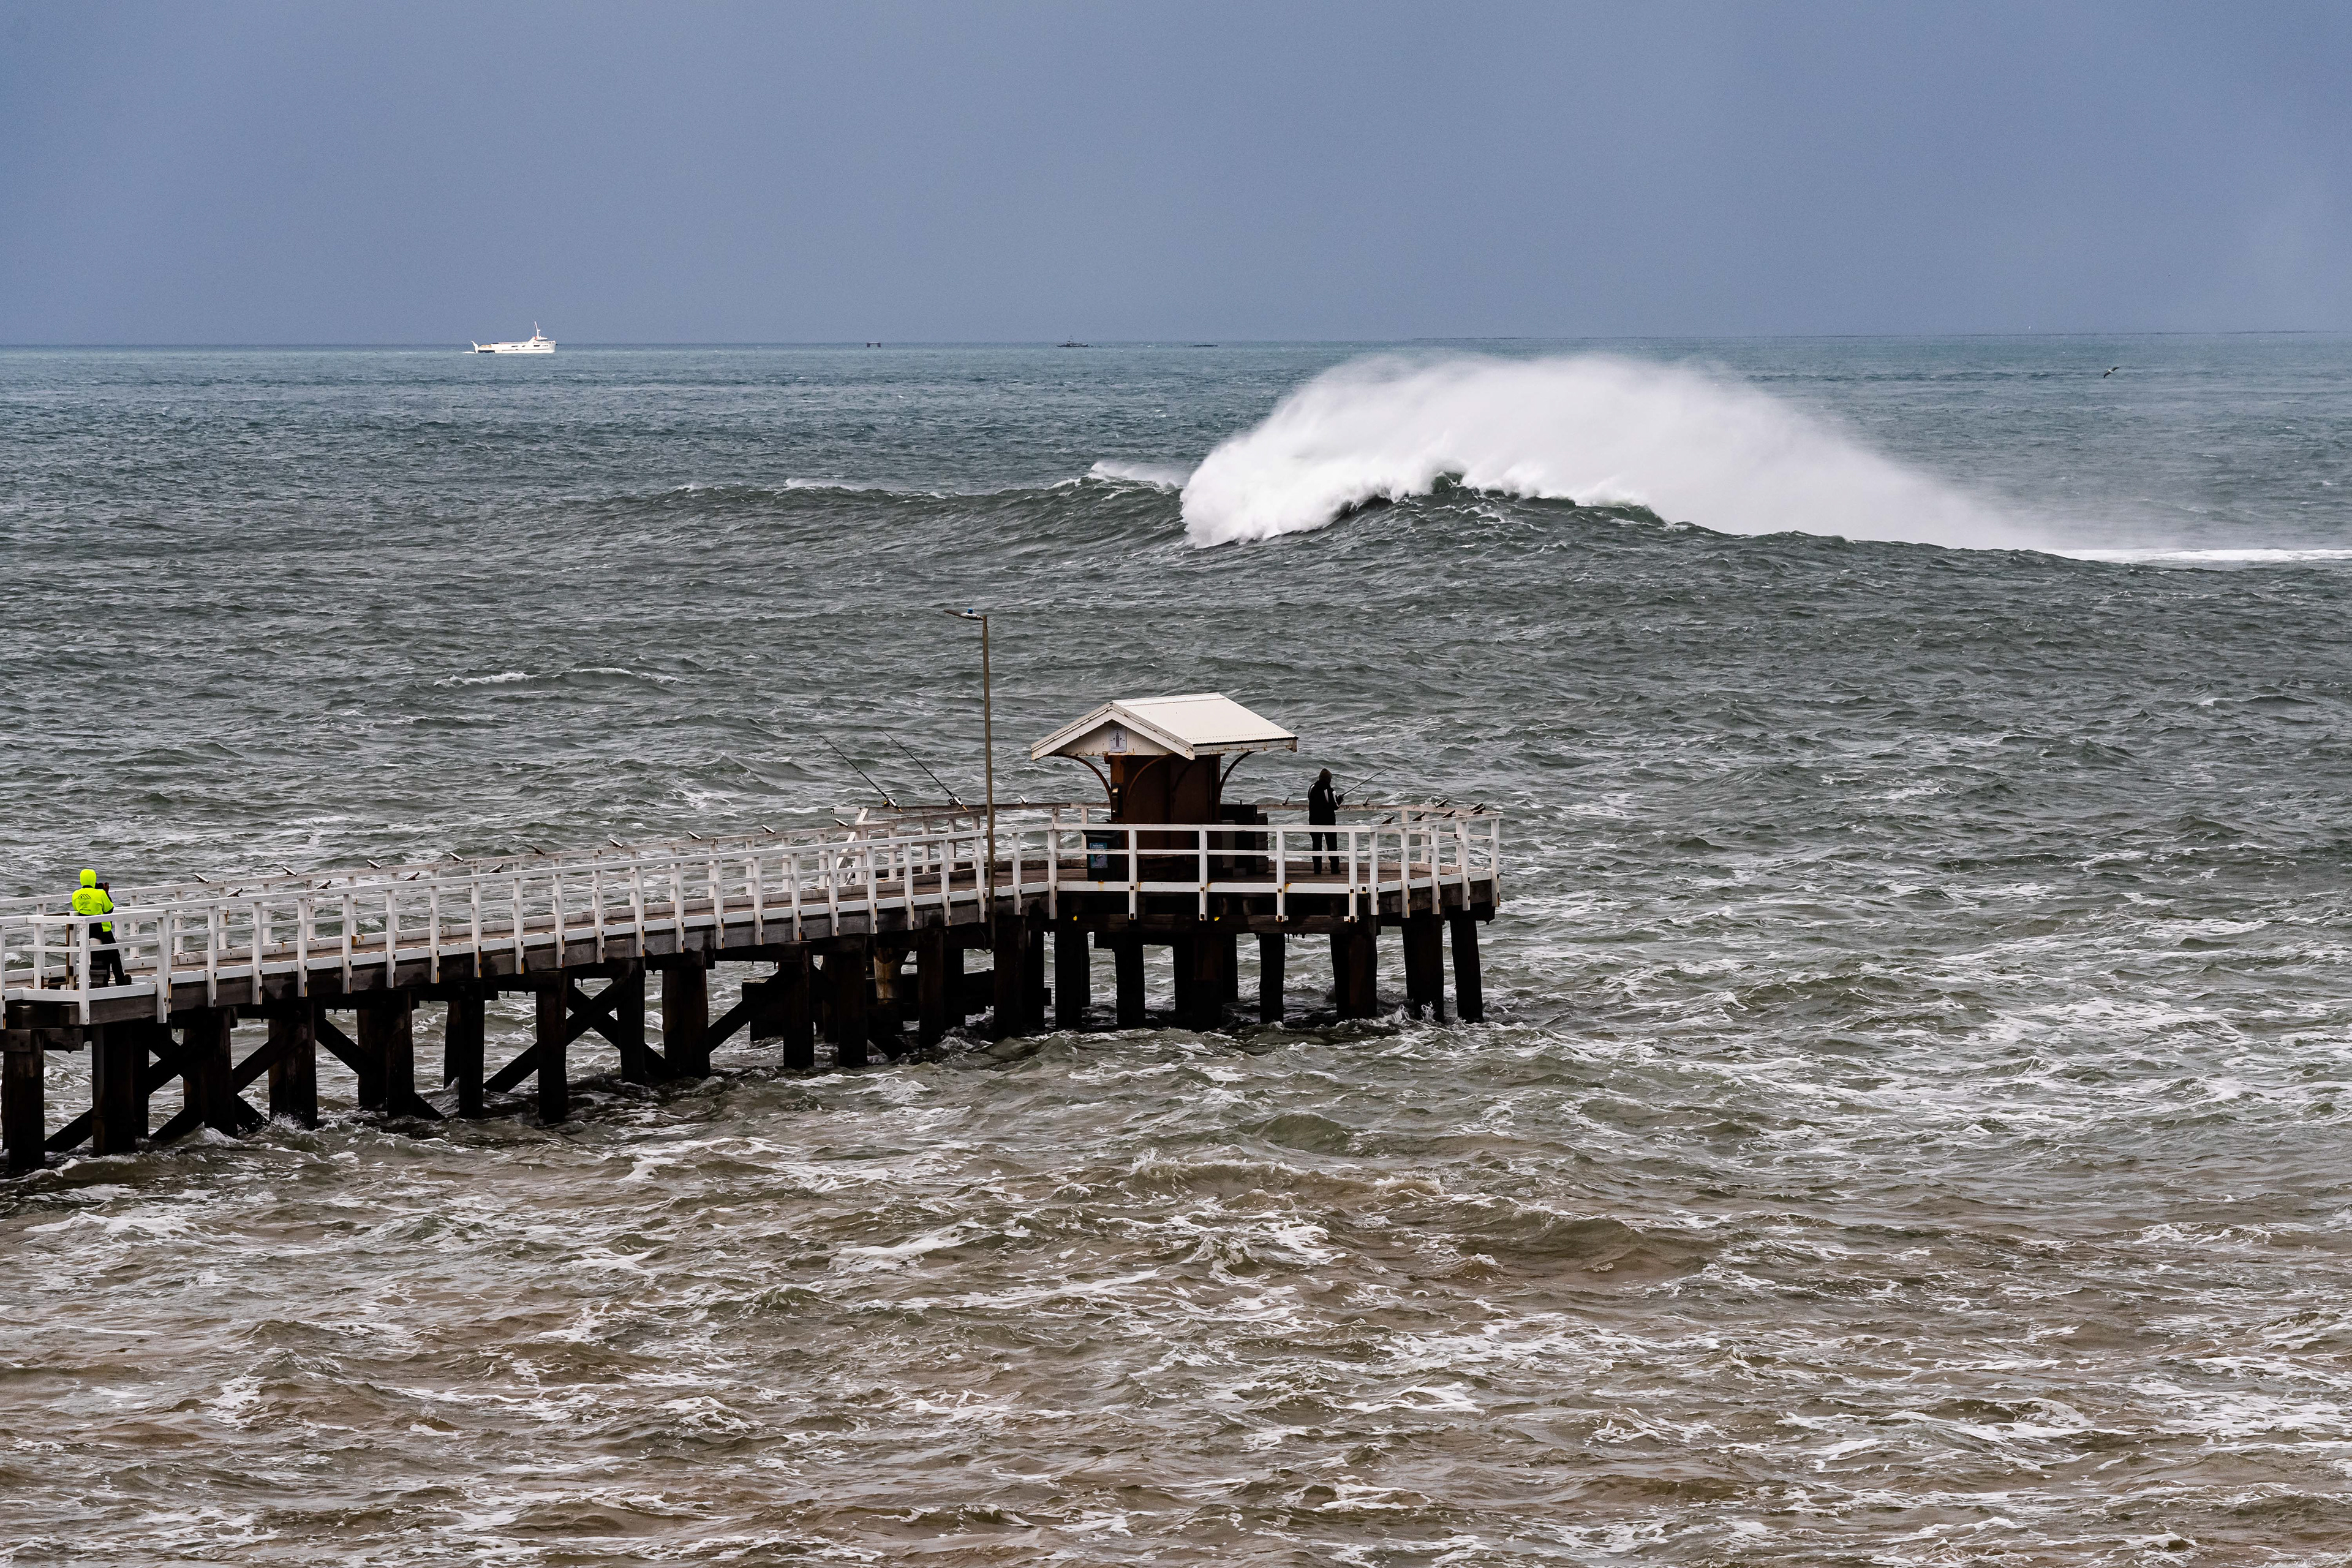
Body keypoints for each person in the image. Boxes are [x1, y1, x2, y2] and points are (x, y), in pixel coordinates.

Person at [71, 869, 128, 986]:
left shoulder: (76, 894)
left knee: (97, 958)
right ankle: (121, 982)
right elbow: (109, 909)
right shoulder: (100, 893)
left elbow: (77, 908)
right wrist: (106, 892)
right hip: (104, 930)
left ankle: (99, 982)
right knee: (114, 957)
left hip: (88, 931)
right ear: (94, 879)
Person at [1308, 768, 1340, 875]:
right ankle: (1334, 869)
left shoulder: (1312, 788)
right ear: (1329, 780)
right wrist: (1339, 800)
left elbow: (1310, 798)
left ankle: (1317, 869)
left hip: (1314, 821)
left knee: (1316, 846)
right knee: (1332, 846)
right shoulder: (1329, 791)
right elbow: (1334, 806)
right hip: (1328, 822)